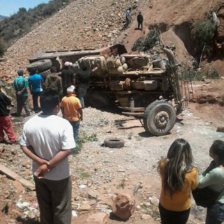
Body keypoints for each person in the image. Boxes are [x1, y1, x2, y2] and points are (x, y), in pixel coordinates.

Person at [20, 91, 75, 224]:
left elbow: (23, 146)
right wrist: (48, 165)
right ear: (57, 106)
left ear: (41, 104)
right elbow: (67, 150)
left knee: (44, 207)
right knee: (61, 208)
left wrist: (40, 162)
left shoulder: (29, 123)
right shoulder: (63, 124)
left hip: (39, 174)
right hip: (59, 176)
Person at [158, 138, 198, 224]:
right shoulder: (192, 172)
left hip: (164, 205)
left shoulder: (162, 164)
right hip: (182, 209)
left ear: (171, 150)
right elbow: (194, 187)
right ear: (188, 154)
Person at [197, 140, 224, 224]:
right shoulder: (218, 165)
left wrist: (207, 170)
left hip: (217, 206)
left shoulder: (217, 172)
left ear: (216, 155)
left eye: (211, 148)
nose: (209, 149)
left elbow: (199, 183)